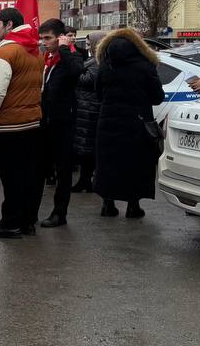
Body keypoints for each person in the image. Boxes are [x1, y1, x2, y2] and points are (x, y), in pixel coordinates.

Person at [0, 8, 44, 239]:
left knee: (11, 177)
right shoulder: (35, 49)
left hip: (7, 125)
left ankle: (10, 223)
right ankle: (28, 221)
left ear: (8, 25)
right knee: (29, 175)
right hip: (31, 122)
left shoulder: (6, 50)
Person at [94, 27, 165, 219]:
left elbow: (98, 93)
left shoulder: (105, 65)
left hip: (108, 121)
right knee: (136, 163)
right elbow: (157, 97)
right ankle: (133, 206)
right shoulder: (145, 65)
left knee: (108, 162)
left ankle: (107, 204)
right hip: (137, 122)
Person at [37, 19, 83, 228]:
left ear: (60, 37)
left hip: (64, 120)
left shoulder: (70, 55)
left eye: (47, 38)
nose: (44, 42)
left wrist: (65, 48)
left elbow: (76, 71)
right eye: (42, 38)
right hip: (47, 119)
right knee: (43, 166)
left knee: (63, 169)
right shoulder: (49, 58)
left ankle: (60, 212)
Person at [72, 31, 107, 193]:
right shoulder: (93, 60)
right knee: (86, 148)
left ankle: (88, 181)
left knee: (89, 148)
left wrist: (75, 71)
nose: (86, 47)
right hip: (86, 107)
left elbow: (88, 80)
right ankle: (85, 180)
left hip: (91, 109)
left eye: (88, 44)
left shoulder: (98, 61)